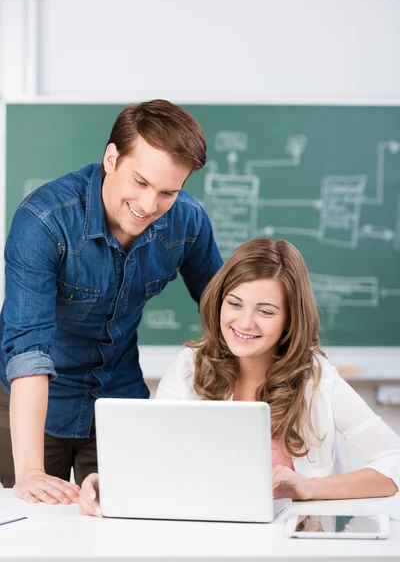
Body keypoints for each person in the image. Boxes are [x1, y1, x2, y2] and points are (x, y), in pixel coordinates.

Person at [0, 99, 223, 505]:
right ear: (111, 157)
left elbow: (226, 310)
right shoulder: (44, 221)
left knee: (126, 523)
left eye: (168, 192)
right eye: (140, 182)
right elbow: (28, 349)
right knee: (32, 524)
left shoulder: (188, 221)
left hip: (119, 401)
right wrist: (29, 470)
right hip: (30, 406)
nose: (149, 206)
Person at [78, 238, 400, 517]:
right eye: (234, 304)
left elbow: (394, 463)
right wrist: (111, 481)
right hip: (204, 541)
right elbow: (153, 458)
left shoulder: (316, 380)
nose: (244, 323)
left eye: (266, 311)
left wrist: (310, 487)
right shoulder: (189, 367)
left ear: (290, 320)